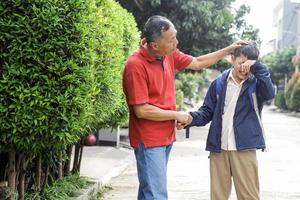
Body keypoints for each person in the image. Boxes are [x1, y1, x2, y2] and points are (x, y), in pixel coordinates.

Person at [122, 15, 245, 200]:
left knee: (149, 190)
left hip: (165, 136)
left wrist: (228, 49)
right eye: (172, 40)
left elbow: (198, 63)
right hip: (148, 140)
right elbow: (142, 110)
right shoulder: (135, 65)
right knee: (156, 195)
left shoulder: (167, 54)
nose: (176, 42)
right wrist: (177, 115)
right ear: (155, 45)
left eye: (175, 36)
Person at [179, 43, 275, 200]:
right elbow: (207, 112)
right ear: (232, 59)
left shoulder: (256, 85)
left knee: (249, 196)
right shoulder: (218, 83)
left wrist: (257, 66)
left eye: (249, 64)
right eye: (241, 63)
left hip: (244, 148)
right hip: (219, 148)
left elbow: (269, 93)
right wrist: (190, 119)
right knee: (218, 197)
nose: (245, 68)